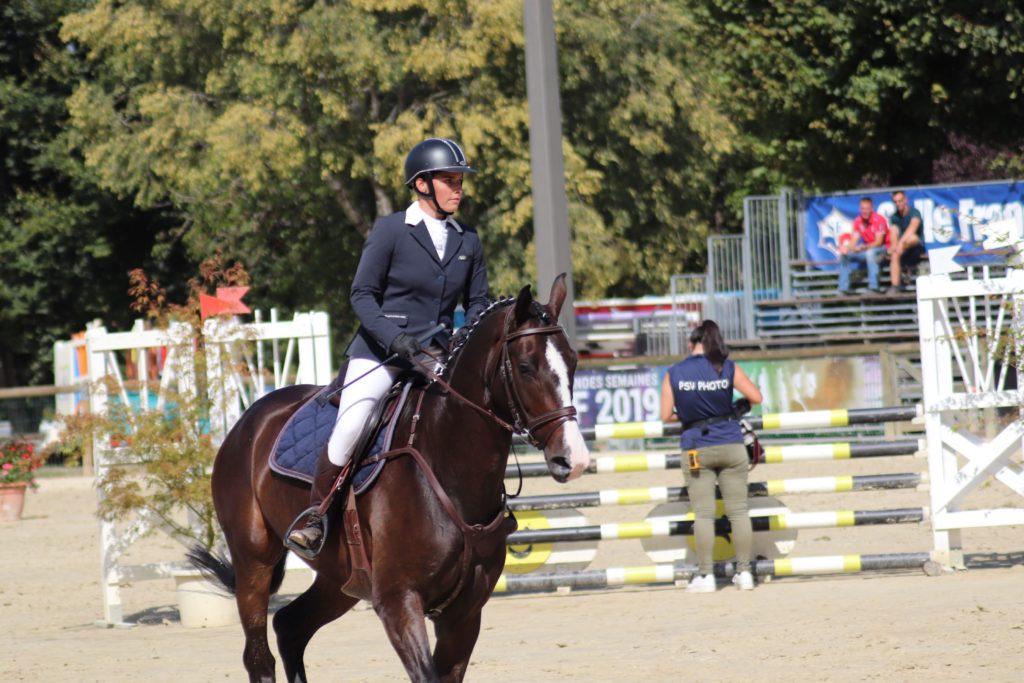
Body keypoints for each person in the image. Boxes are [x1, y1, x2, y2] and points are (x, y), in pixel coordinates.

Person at [288, 138, 489, 552]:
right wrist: (396, 339)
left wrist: (462, 341)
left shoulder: (467, 239)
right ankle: (317, 515)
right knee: (352, 425)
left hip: (437, 356)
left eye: (459, 181)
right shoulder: (391, 230)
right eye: (449, 180)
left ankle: (485, 509)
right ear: (421, 185)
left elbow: (479, 303)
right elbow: (362, 294)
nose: (458, 188)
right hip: (382, 352)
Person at [660, 320, 763, 592]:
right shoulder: (727, 366)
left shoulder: (674, 372)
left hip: (696, 447)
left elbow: (665, 415)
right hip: (731, 443)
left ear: (691, 343)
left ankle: (705, 576)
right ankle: (745, 574)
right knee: (739, 513)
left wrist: (690, 413)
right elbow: (756, 397)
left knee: (704, 515)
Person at [837, 197, 892, 295]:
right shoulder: (858, 221)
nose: (865, 211)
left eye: (867, 208)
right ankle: (842, 288)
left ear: (872, 208)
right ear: (859, 209)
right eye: (863, 208)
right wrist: (846, 248)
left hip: (883, 249)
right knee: (845, 255)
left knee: (870, 253)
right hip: (867, 249)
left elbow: (879, 242)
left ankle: (874, 288)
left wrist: (864, 247)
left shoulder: (879, 219)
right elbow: (853, 241)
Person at [887, 190, 926, 293]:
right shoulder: (894, 217)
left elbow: (912, 229)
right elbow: (893, 232)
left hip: (916, 247)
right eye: (896, 202)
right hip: (901, 249)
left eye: (900, 201)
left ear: (906, 200)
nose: (898, 204)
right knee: (895, 253)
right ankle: (895, 286)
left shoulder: (914, 212)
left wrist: (900, 244)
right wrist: (896, 246)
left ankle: (904, 268)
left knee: (911, 237)